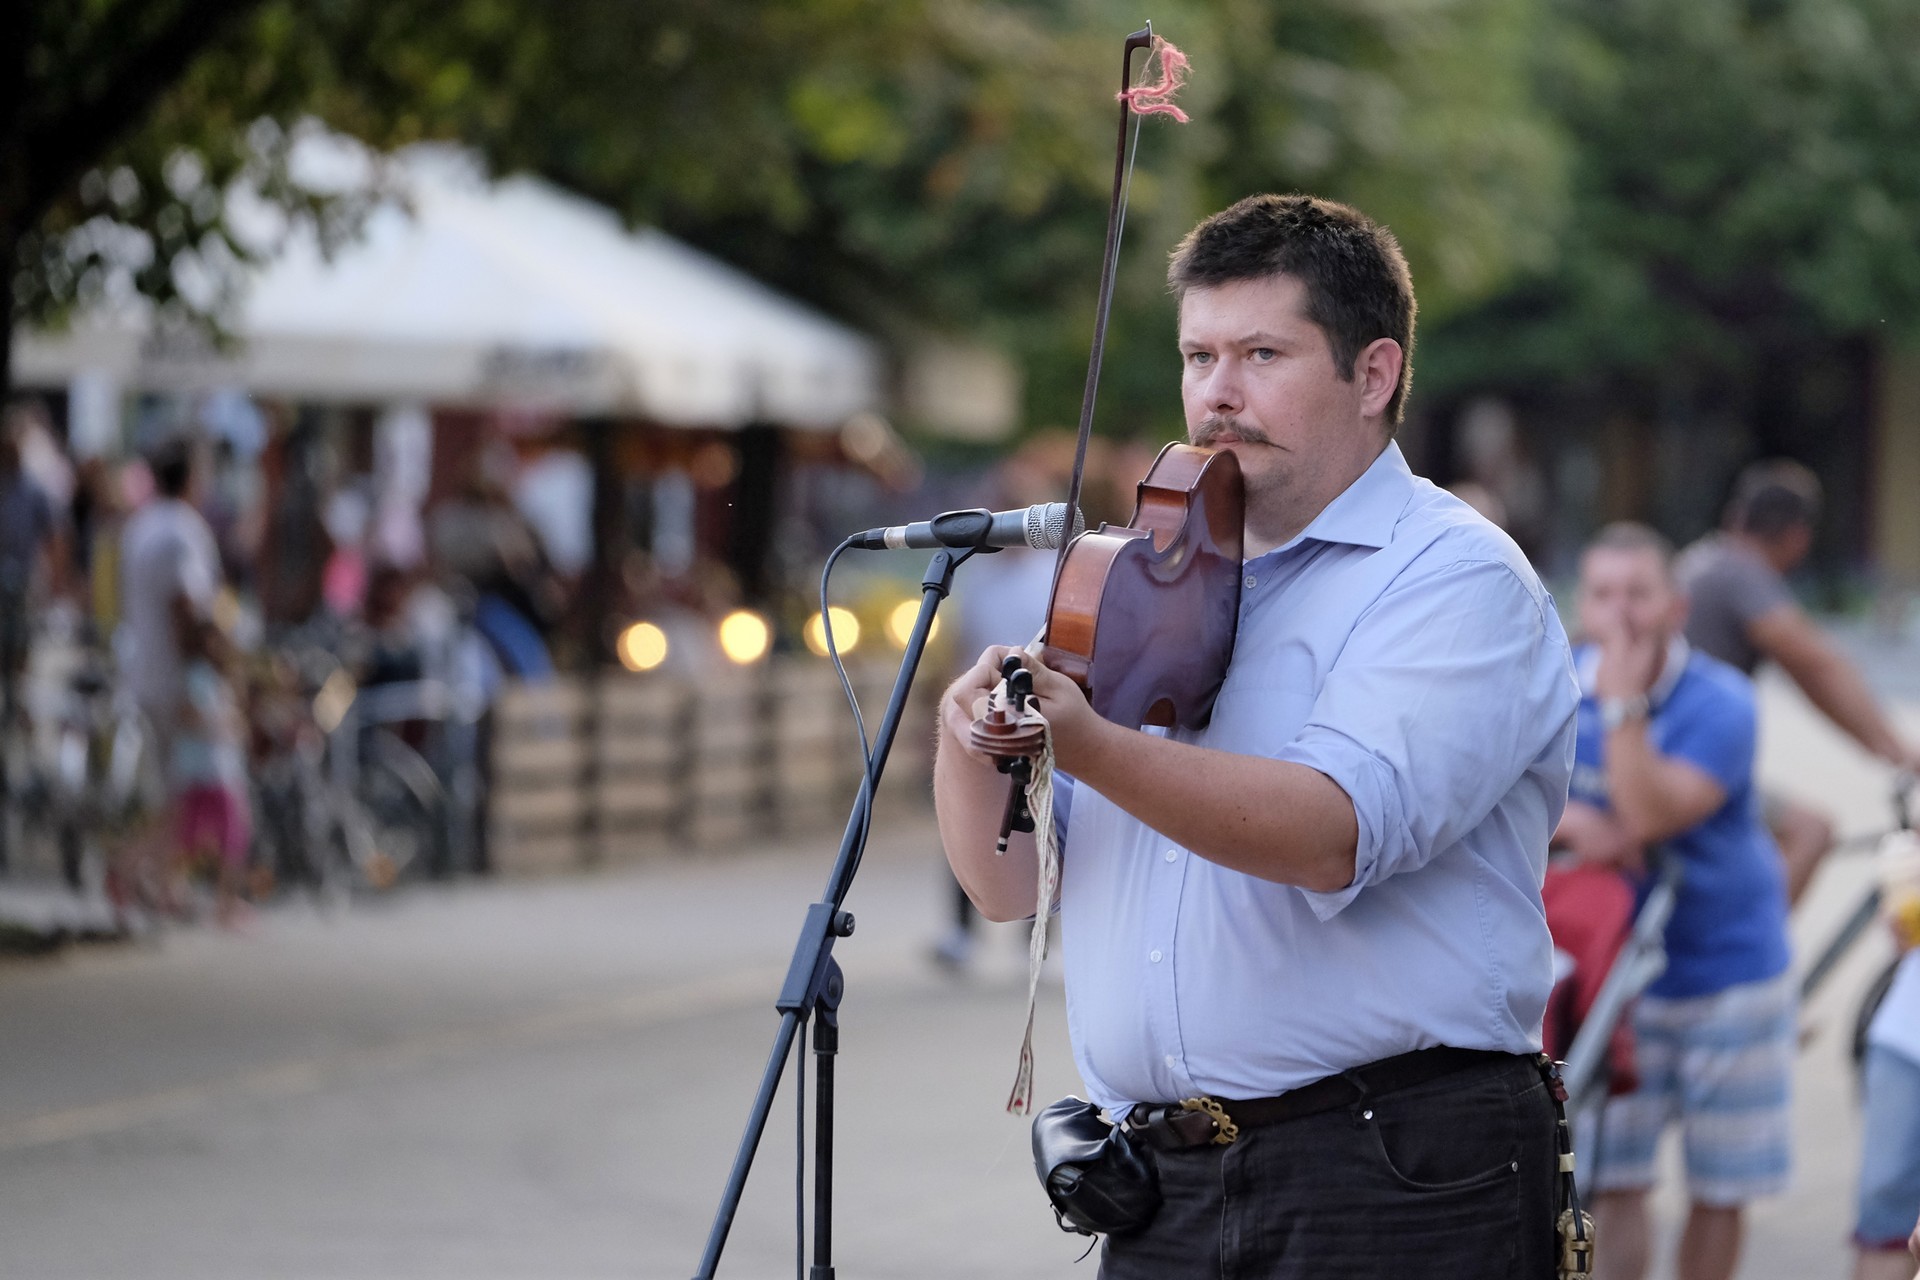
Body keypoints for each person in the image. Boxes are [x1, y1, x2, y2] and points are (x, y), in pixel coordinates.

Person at [934, 194, 1579, 1278]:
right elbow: (1007, 888)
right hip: (1160, 1184)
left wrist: (1087, 742)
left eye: (1262, 354)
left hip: (1389, 1173)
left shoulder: (1454, 576)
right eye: (1199, 356)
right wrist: (970, 739)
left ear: (1373, 375)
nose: (1217, 393)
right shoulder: (1140, 582)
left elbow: (1333, 831)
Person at [1555, 523, 1793, 1280]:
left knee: (1720, 1188)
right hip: (1618, 979)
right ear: (1582, 605)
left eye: (1639, 593)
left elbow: (1651, 816)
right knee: (1616, 1179)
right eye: (1603, 593)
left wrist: (1623, 706)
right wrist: (1571, 820)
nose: (1620, 613)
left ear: (1677, 607)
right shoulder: (1554, 685)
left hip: (1729, 968)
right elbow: (1495, 792)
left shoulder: (1723, 702)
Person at [1676, 460, 1920, 903]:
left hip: (1662, 752)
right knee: (1810, 831)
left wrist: (1883, 747)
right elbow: (1817, 665)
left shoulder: (1706, 559)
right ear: (1798, 537)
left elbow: (1809, 676)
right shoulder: (1741, 573)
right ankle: (1754, 945)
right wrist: (1899, 751)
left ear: (1736, 515)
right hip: (1678, 765)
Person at [170, 613, 253, 928]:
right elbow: (190, 716)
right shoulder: (197, 675)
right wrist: (220, 723)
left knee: (223, 836)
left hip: (222, 771)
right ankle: (218, 902)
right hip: (206, 772)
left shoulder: (221, 677)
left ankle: (221, 901)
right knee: (209, 836)